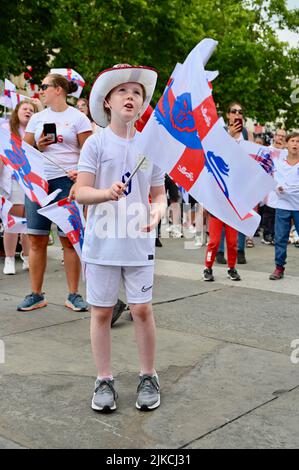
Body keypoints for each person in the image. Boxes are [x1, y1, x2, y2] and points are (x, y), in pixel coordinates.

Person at [75, 64, 166, 412]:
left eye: (137, 93)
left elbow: (158, 194)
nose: (131, 97)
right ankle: (104, 379)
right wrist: (104, 193)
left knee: (142, 309)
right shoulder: (96, 144)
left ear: (142, 104)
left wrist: (157, 211)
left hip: (138, 243)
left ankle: (148, 375)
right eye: (123, 91)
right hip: (100, 242)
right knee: (100, 314)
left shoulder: (150, 147)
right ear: (108, 102)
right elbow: (79, 192)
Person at [17, 73, 93, 311]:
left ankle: (73, 294)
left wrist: (79, 172)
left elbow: (90, 152)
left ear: (59, 89)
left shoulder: (78, 118)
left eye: (44, 86)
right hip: (38, 182)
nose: (41, 90)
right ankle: (36, 294)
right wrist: (38, 145)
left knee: (68, 240)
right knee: (36, 239)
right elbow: (24, 149)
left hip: (66, 182)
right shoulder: (38, 118)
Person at [0, 100, 38, 274]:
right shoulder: (7, 130)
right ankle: (9, 259)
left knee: (29, 222)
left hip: (31, 182)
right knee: (13, 220)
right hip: (13, 180)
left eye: (32, 109)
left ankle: (27, 256)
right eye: (25, 108)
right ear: (17, 111)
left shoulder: (37, 131)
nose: (28, 111)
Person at [216, 102, 254, 264]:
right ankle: (219, 251)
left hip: (241, 181)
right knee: (223, 216)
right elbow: (216, 153)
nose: (237, 114)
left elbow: (252, 156)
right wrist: (230, 135)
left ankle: (240, 250)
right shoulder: (221, 132)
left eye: (240, 112)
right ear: (228, 115)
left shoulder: (247, 133)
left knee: (241, 216)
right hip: (224, 180)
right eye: (234, 111)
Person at [267, 132, 299, 280]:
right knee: (280, 237)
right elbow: (274, 181)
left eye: (298, 142)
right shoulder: (279, 163)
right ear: (287, 144)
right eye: (292, 141)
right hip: (283, 205)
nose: (295, 144)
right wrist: (278, 187)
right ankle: (279, 268)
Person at [203, 214, 241, 282]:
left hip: (231, 214)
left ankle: (231, 268)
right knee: (214, 242)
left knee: (232, 242)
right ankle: (207, 268)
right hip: (216, 213)